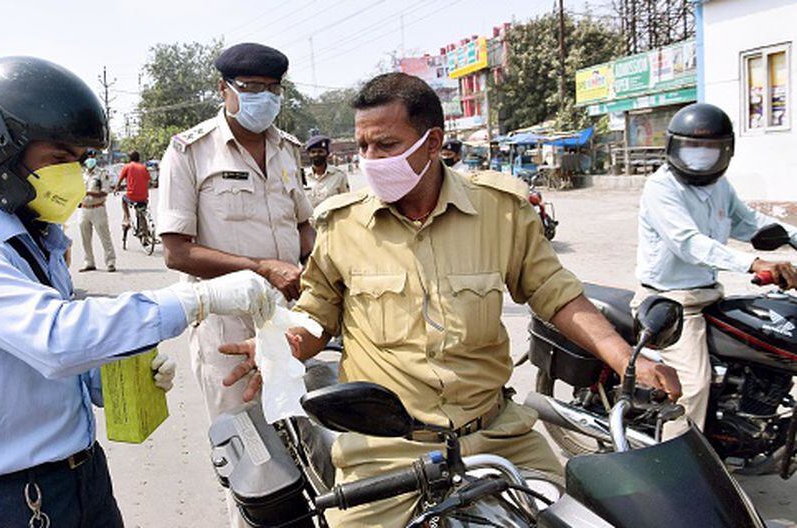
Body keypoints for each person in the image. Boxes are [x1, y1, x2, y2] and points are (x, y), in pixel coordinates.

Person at [220, 73, 681, 528]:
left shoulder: (501, 211)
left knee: (581, 518)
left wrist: (627, 359)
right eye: (362, 147)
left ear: (433, 142)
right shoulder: (341, 225)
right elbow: (317, 314)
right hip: (385, 451)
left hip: (498, 436)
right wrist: (282, 347)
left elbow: (555, 294)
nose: (370, 160)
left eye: (386, 145)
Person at [0, 56, 284, 528]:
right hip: (9, 501)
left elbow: (52, 366)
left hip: (83, 479)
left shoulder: (40, 242)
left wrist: (109, 376)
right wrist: (196, 299)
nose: (73, 174)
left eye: (78, 160)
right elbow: (56, 340)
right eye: (58, 159)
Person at [157, 42, 314, 527]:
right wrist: (262, 267)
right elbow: (176, 251)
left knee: (304, 440)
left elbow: (304, 228)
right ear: (223, 89)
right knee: (251, 458)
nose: (264, 98)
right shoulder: (190, 152)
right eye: (251, 88)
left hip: (291, 323)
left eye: (273, 89)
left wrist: (322, 270)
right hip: (227, 329)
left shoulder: (288, 149)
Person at [634, 102, 797, 439]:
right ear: (673, 147)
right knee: (693, 384)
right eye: (692, 146)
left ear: (726, 150)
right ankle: (676, 461)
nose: (701, 154)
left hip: (708, 295)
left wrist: (793, 237)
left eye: (710, 147)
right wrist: (753, 263)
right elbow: (688, 242)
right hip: (672, 302)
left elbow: (750, 223)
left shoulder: (720, 186)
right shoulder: (661, 187)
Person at [77, 153, 117, 272]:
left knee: (105, 236)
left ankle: (110, 262)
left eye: (92, 156)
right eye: (88, 157)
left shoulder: (102, 174)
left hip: (98, 208)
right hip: (84, 208)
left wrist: (87, 193)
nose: (90, 159)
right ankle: (89, 262)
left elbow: (104, 192)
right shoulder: (82, 174)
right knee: (85, 238)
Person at [302, 134, 350, 209]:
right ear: (309, 154)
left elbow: (346, 201)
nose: (317, 155)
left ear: (327, 154)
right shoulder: (302, 177)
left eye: (320, 151)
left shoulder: (339, 176)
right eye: (313, 152)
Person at [117, 151, 151, 230]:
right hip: (144, 197)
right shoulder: (143, 167)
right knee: (141, 209)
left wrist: (117, 188)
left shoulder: (127, 167)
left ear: (130, 158)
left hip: (132, 196)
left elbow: (120, 180)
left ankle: (127, 218)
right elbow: (148, 180)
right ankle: (145, 229)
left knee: (123, 199)